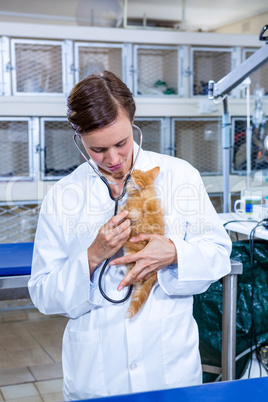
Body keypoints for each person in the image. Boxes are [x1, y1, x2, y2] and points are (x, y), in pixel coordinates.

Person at [28, 70, 232, 401]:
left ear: (133, 121)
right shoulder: (62, 196)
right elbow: (44, 294)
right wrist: (92, 256)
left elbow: (218, 253)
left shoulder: (179, 176)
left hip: (169, 370)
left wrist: (175, 252)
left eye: (121, 143)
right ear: (79, 138)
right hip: (98, 376)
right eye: (97, 149)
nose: (113, 160)